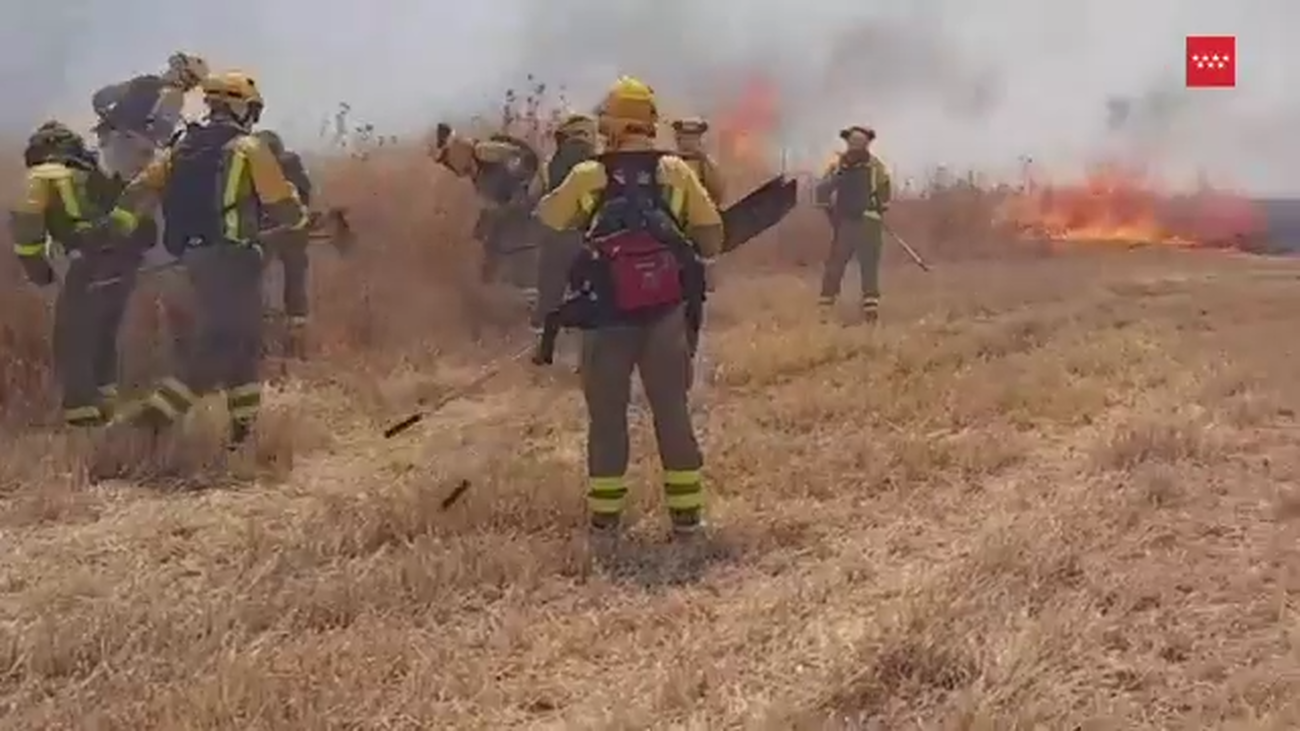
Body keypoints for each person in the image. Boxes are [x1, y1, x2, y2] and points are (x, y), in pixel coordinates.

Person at [534, 76, 723, 537]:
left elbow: (548, 219)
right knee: (672, 411)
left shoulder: (589, 174)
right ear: (650, 122)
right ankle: (687, 518)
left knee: (607, 419)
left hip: (606, 317)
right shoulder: (676, 171)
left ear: (613, 123)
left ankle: (606, 522)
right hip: (666, 313)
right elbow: (712, 237)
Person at [105, 70, 309, 447]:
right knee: (223, 342)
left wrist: (116, 233)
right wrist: (299, 219)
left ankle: (243, 434)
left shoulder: (179, 148)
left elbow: (137, 191)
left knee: (244, 343)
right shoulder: (248, 148)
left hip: (193, 260)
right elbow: (282, 203)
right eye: (252, 110)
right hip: (233, 260)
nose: (253, 118)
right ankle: (155, 416)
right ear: (239, 108)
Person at [7, 121, 147, 427]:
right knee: (104, 336)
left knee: (72, 339)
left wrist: (40, 273)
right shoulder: (97, 173)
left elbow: (27, 231)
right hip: (123, 266)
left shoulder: (42, 175)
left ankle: (83, 421)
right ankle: (108, 410)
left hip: (87, 264)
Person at [432, 126, 540, 304]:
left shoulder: (483, 151)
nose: (447, 165)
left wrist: (519, 193)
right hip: (512, 210)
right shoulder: (476, 171)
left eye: (445, 158)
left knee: (513, 246)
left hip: (523, 207)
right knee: (493, 244)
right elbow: (489, 204)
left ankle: (527, 294)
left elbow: (523, 159)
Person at [528, 113, 599, 337]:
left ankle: (543, 337)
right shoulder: (602, 164)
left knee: (550, 292)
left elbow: (535, 195)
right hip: (592, 238)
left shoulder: (552, 164)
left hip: (557, 236)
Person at [814, 125, 892, 322]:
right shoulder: (876, 167)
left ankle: (826, 309)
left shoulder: (838, 165)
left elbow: (822, 192)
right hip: (868, 222)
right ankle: (868, 310)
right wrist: (878, 209)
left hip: (850, 223)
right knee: (866, 267)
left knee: (837, 264)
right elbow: (885, 196)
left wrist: (832, 215)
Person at [92, 52, 209, 181]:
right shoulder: (175, 96)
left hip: (107, 152)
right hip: (132, 161)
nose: (191, 85)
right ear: (180, 69)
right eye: (191, 77)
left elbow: (99, 99)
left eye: (195, 82)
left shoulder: (142, 82)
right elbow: (162, 134)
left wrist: (112, 122)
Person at [253, 129, 314, 358]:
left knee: (254, 278)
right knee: (294, 278)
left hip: (270, 234)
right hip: (290, 232)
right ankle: (295, 334)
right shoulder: (291, 164)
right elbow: (305, 196)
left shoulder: (256, 168)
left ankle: (265, 335)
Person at [671, 117, 726, 296]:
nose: (689, 141)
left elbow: (717, 191)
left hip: (688, 224)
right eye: (685, 136)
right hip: (680, 223)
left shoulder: (704, 164)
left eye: (692, 137)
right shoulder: (669, 163)